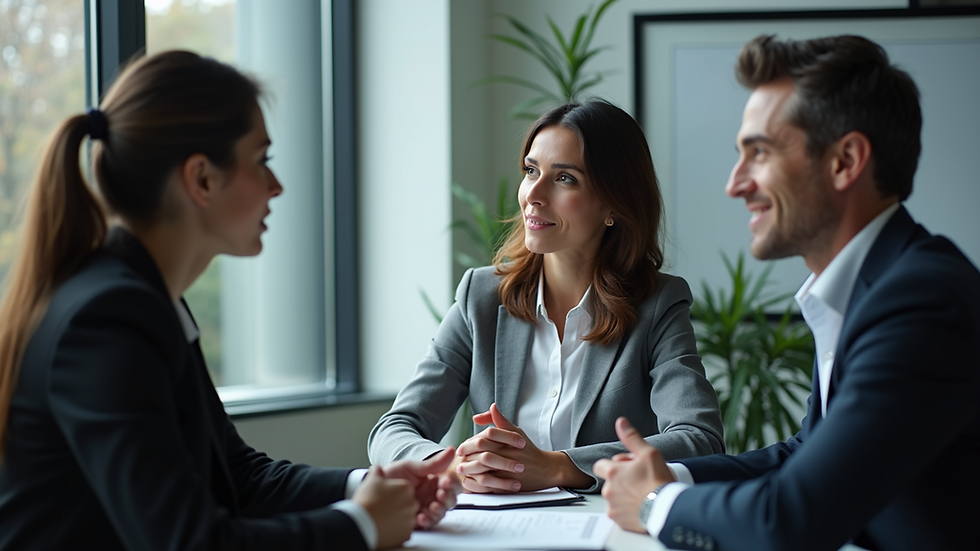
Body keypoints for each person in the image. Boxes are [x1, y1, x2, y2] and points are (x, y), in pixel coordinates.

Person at [0, 50, 460, 551]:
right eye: (262, 160)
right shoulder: (109, 319)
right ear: (202, 179)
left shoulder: (142, 297)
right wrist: (362, 525)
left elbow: (236, 476)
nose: (277, 186)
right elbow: (188, 542)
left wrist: (368, 487)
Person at [594, 34, 980, 551]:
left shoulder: (922, 301)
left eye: (760, 152)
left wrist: (654, 504)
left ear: (845, 161)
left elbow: (792, 520)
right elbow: (805, 454)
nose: (735, 183)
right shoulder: (876, 286)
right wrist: (671, 477)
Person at [368, 99, 724, 495]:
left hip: (604, 529)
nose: (533, 194)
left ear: (613, 204)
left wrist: (558, 468)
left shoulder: (657, 304)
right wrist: (457, 465)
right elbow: (394, 429)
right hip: (495, 529)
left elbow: (700, 439)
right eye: (531, 171)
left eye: (564, 178)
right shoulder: (481, 298)